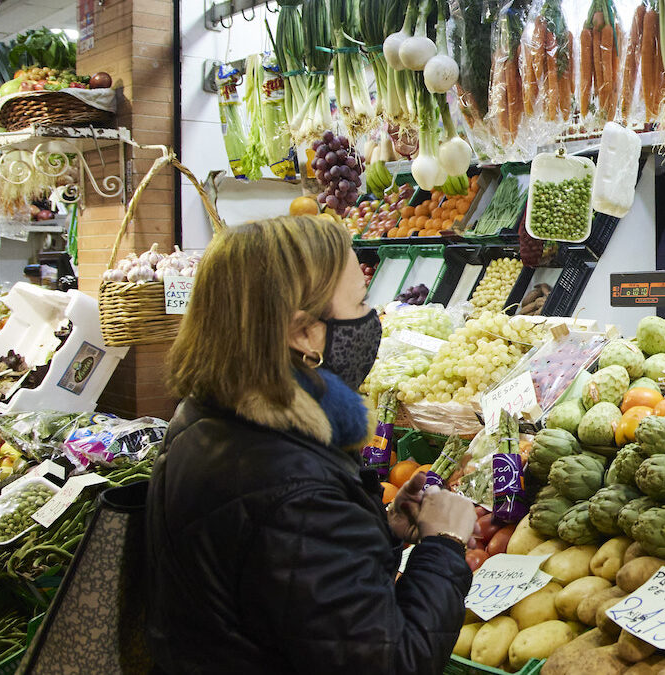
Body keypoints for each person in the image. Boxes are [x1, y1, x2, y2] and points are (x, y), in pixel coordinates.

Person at [146, 216, 477, 674]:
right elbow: (394, 663)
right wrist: (442, 547)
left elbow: (284, 585)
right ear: (303, 333)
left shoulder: (205, 416)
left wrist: (379, 531)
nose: (371, 318)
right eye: (360, 302)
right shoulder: (294, 488)